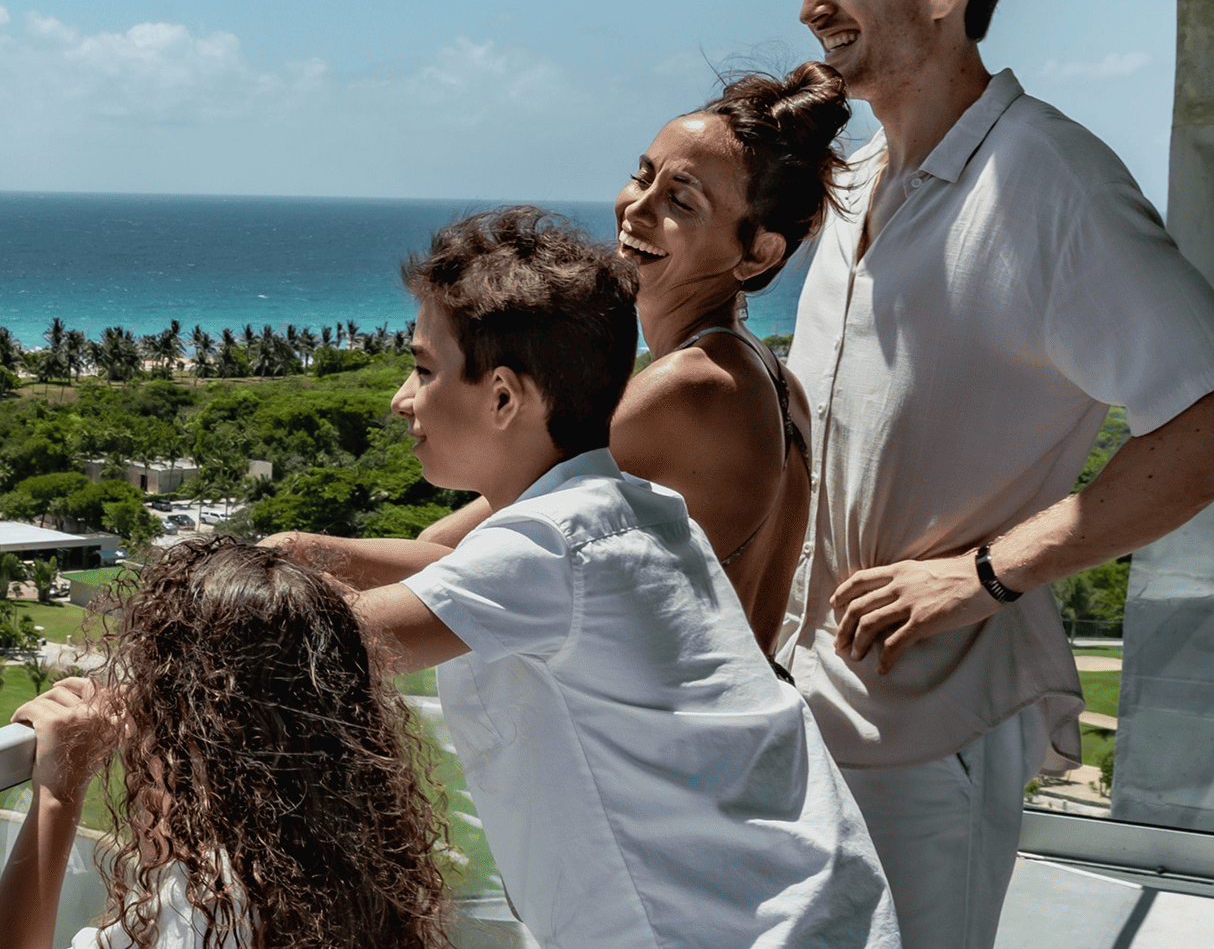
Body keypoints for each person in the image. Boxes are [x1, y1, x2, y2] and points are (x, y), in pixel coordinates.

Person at [781, 0, 1214, 945]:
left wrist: (984, 574)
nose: (809, 6)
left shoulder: (1045, 179)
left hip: (930, 728)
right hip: (810, 703)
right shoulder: (857, 182)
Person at [340, 209, 897, 949]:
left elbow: (309, 644)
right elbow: (462, 574)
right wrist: (302, 550)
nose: (401, 399)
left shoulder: (549, 543)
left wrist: (227, 586)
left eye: (422, 370)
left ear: (504, 397)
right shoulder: (640, 512)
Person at [269, 65, 851, 657]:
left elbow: (466, 558)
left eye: (681, 200)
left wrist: (294, 553)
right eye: (642, 176)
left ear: (757, 254)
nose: (636, 209)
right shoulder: (773, 379)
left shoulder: (690, 386)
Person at [0, 538, 449, 949]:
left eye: (151, 676)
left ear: (195, 717)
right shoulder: (341, 859)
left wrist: (59, 792)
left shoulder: (211, 907)